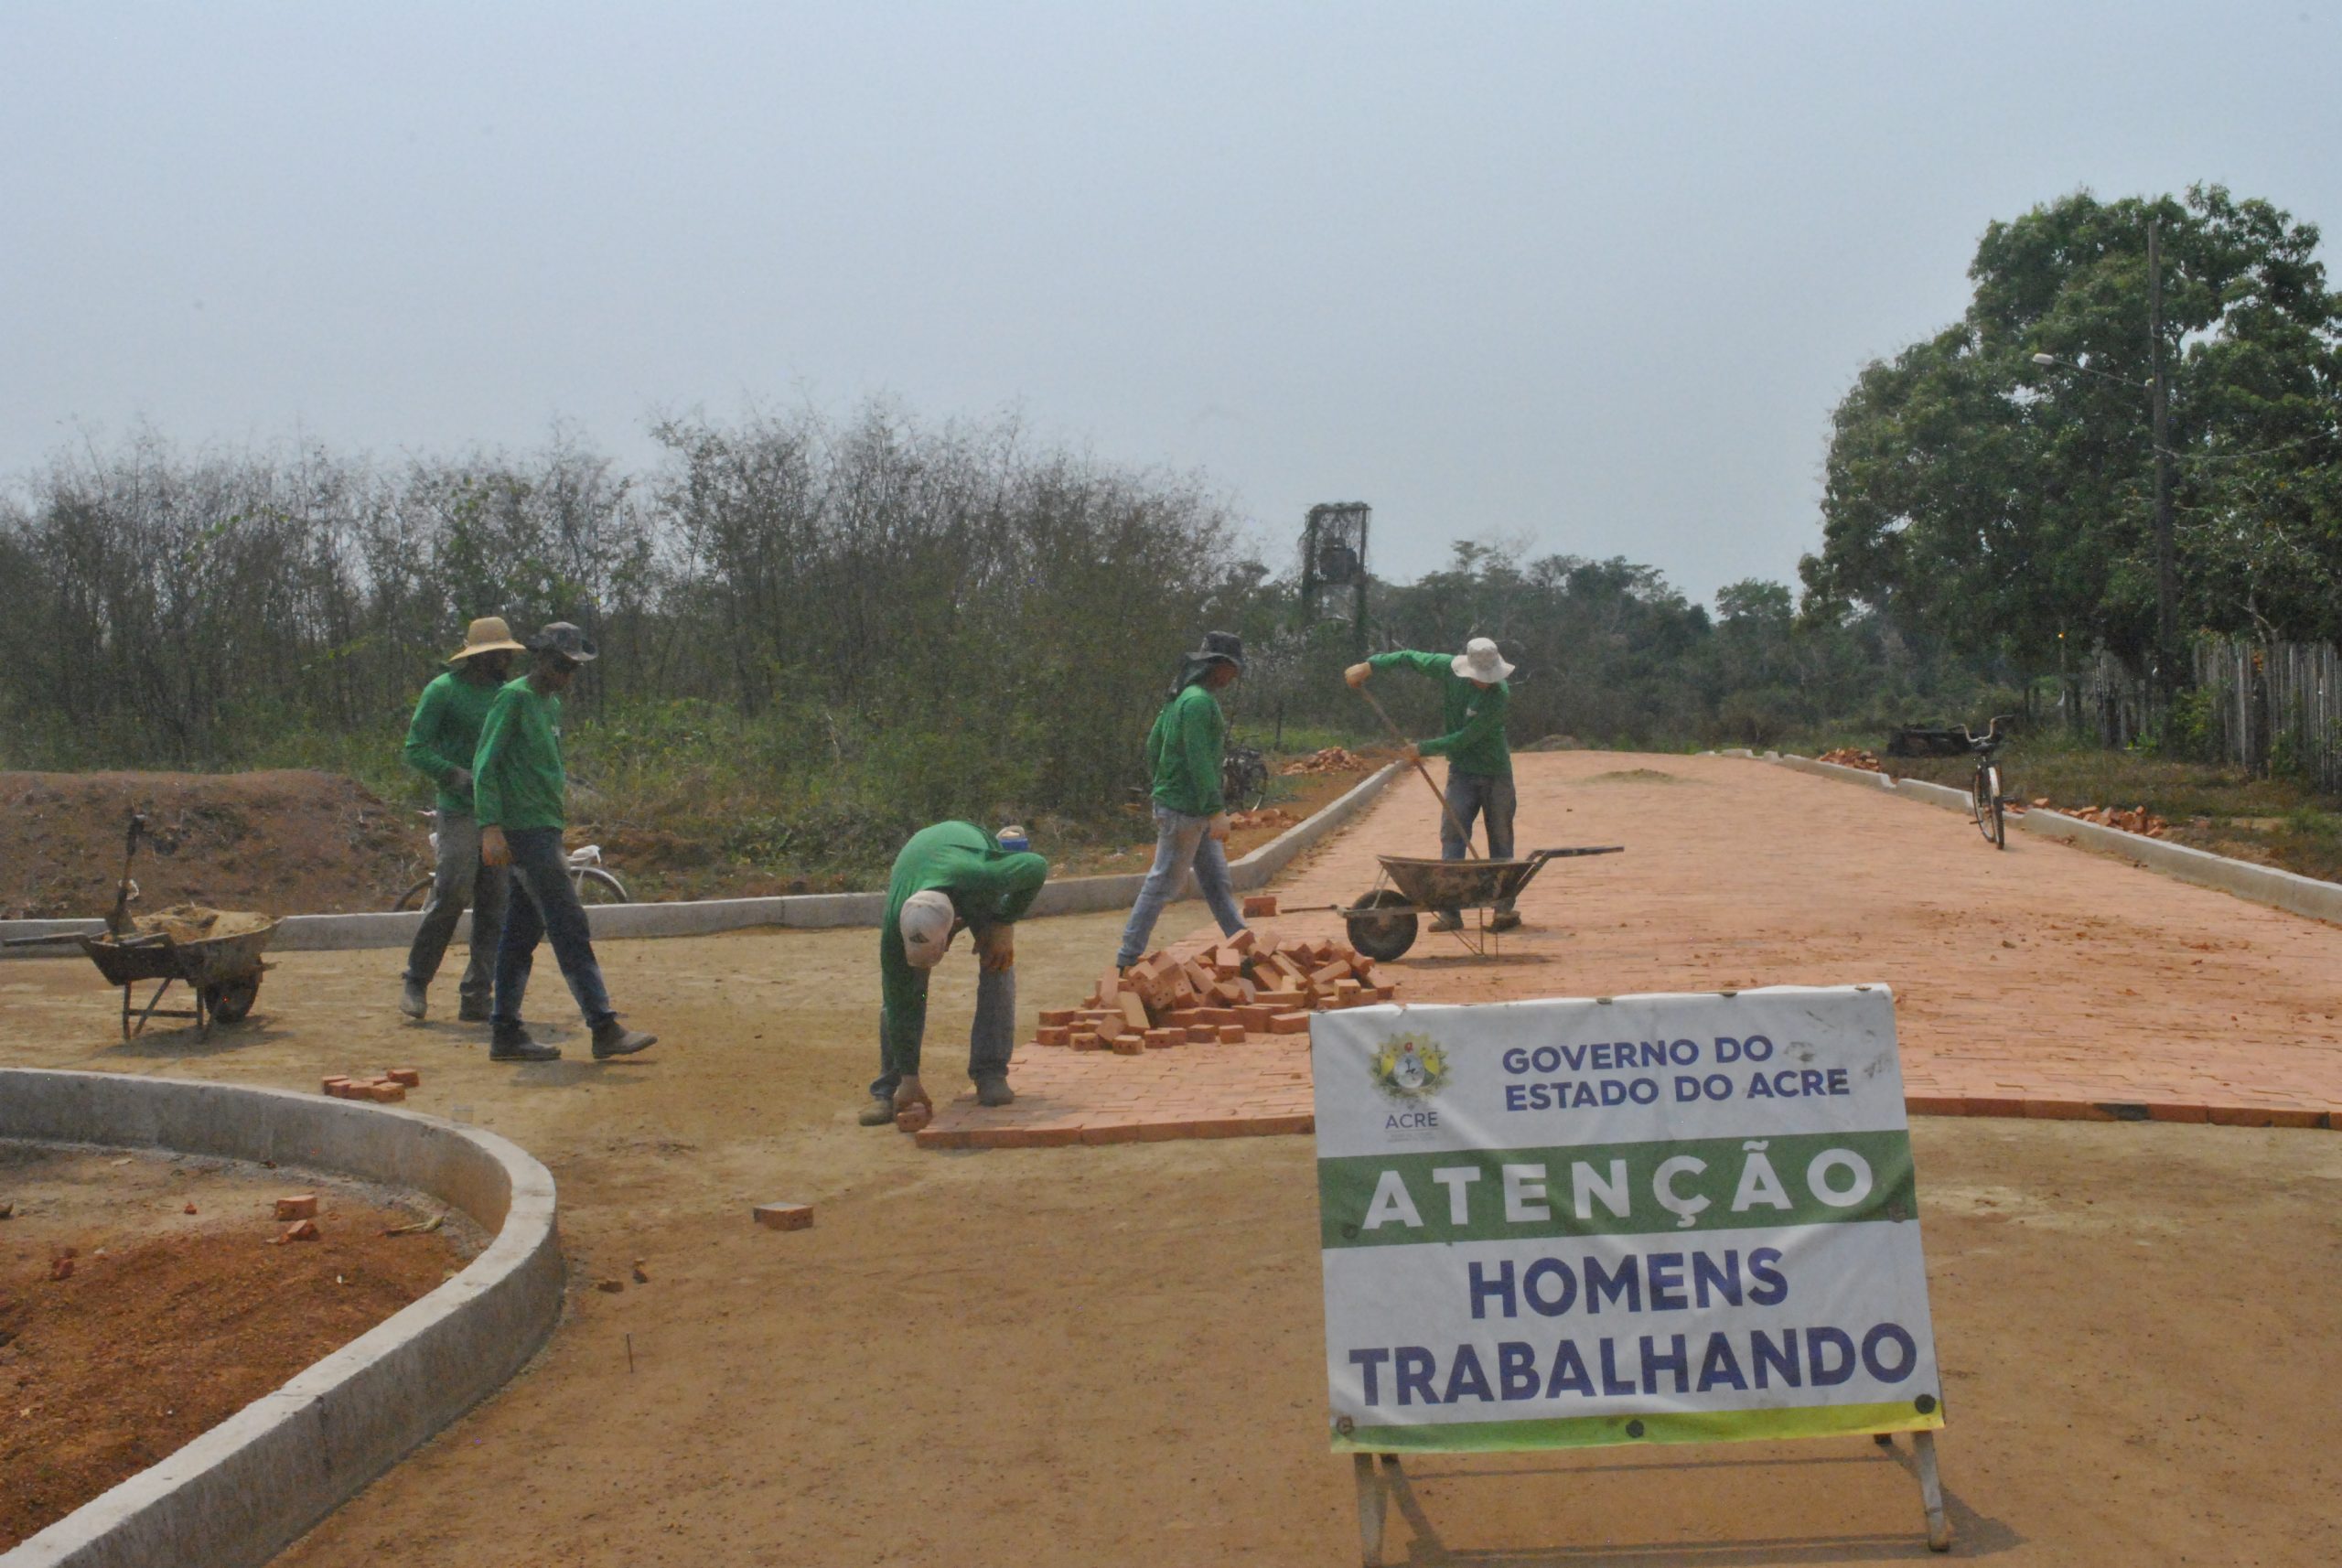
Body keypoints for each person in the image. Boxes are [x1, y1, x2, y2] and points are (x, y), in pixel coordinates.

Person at [473, 622, 657, 1063]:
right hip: (523, 830)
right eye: (561, 666)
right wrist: (490, 826)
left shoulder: (549, 705)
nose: (566, 676)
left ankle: (505, 1032)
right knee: (568, 922)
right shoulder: (514, 698)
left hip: (543, 827)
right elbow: (485, 765)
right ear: (541, 660)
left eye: (573, 669)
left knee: (520, 932)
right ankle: (603, 1025)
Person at [860, 822, 1050, 1125]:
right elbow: (899, 1003)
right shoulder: (897, 928)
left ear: (954, 925)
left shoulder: (983, 879)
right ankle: (893, 1086)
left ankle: (990, 1072)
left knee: (997, 963)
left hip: (970, 874)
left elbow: (1037, 866)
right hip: (924, 873)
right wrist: (911, 1077)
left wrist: (1004, 922)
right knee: (906, 993)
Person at [397, 617, 527, 1023]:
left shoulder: (505, 695)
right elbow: (415, 748)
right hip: (458, 808)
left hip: (499, 812)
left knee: (496, 903)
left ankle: (477, 993)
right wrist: (452, 773)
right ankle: (417, 979)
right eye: (500, 652)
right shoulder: (443, 691)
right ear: (482, 655)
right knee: (452, 890)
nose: (507, 658)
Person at [1347, 637, 1519, 931]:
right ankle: (1450, 911)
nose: (1484, 683)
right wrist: (1370, 665)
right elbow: (1411, 657)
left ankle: (1502, 909)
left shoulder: (1499, 695)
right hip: (1462, 772)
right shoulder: (1447, 669)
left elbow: (1466, 738)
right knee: (1452, 835)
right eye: (1479, 678)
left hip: (1495, 773)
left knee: (1500, 838)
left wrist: (1423, 748)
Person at [1113, 630, 1251, 971]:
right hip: (1186, 811)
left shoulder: (1178, 698)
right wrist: (1215, 809)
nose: (1232, 677)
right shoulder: (1199, 703)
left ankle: (1242, 943)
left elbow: (1152, 746)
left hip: (1188, 808)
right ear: (1218, 666)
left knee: (1217, 881)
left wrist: (1162, 782)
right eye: (1231, 669)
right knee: (1163, 883)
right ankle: (1128, 958)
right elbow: (1199, 759)